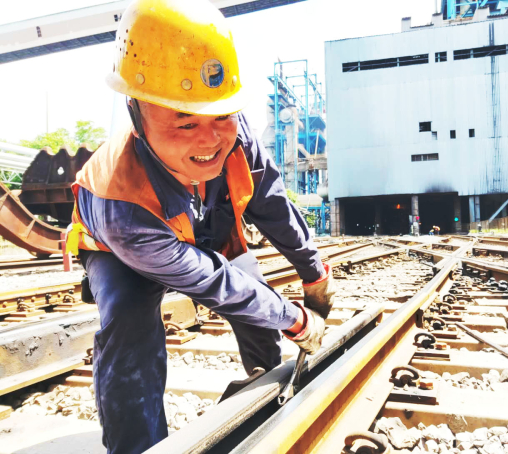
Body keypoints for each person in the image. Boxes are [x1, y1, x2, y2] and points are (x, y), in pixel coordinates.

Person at [64, 1, 334, 452]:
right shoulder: (120, 202)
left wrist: (313, 271)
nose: (210, 140)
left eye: (220, 117)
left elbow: (269, 201)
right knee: (129, 323)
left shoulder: (234, 132)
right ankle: (138, 445)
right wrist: (296, 319)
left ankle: (265, 389)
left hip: (202, 220)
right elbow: (212, 280)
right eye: (185, 122)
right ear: (136, 114)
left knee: (257, 308)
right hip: (119, 252)